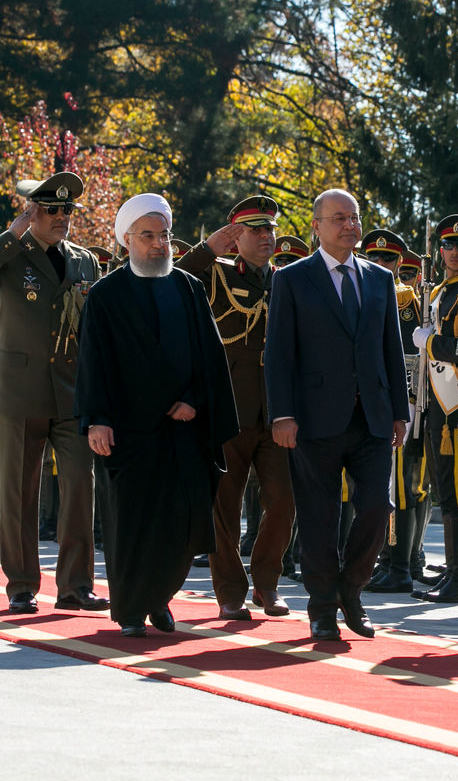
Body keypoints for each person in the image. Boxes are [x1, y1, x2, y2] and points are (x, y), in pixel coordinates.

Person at [76, 192, 238, 636]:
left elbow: (209, 357)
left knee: (185, 522)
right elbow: (93, 362)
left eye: (163, 235)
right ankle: (132, 608)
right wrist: (97, 418)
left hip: (182, 429)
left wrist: (194, 399)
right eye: (147, 236)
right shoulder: (106, 296)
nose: (157, 244)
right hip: (126, 433)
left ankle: (160, 597)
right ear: (127, 239)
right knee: (133, 525)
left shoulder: (189, 288)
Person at [0, 171, 108, 615]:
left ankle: (76, 585)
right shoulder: (9, 255)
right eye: (52, 210)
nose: (63, 217)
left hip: (71, 392)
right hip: (20, 391)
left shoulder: (85, 261)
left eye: (68, 210)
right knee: (21, 494)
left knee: (81, 487)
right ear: (32, 212)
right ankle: (21, 585)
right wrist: (11, 234)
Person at [265, 188, 410, 641]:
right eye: (339, 218)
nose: (350, 225)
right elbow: (280, 353)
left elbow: (392, 349)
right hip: (314, 418)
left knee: (375, 507)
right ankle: (323, 607)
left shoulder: (379, 279)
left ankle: (352, 587)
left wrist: (399, 412)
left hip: (372, 416)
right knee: (318, 518)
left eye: (354, 217)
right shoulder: (292, 279)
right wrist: (282, 414)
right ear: (317, 226)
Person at [176, 194, 296, 620]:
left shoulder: (286, 280)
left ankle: (266, 583)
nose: (266, 236)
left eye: (270, 229)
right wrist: (208, 249)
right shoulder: (215, 274)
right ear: (236, 235)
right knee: (224, 508)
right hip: (227, 409)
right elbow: (171, 280)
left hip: (277, 412)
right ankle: (230, 591)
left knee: (283, 502)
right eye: (256, 229)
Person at [412, 215, 458, 603]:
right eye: (448, 246)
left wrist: (432, 342)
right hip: (437, 401)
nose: (454, 253)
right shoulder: (440, 291)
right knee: (445, 488)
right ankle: (454, 571)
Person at [362, 228, 428, 595]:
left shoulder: (402, 296)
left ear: (400, 263)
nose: (380, 264)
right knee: (393, 485)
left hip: (401, 399)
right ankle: (394, 560)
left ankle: (399, 563)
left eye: (388, 259)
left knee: (402, 487)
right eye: (374, 258)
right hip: (381, 398)